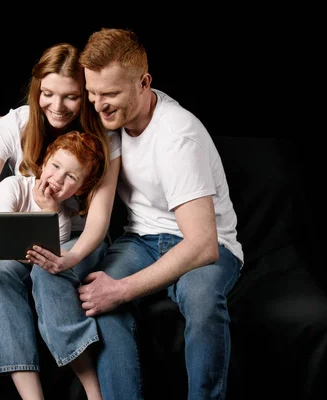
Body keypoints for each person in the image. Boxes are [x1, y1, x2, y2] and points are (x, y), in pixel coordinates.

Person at [38, 28, 241, 400]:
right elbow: (50, 113)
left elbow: (203, 245)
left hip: (203, 244)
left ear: (144, 83)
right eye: (93, 94)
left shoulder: (178, 135)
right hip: (140, 242)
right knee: (96, 297)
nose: (99, 106)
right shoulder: (107, 114)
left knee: (201, 302)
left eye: (110, 94)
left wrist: (123, 289)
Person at [0, 43, 121, 400]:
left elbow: (98, 222)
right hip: (22, 233)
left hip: (77, 238)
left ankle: (93, 393)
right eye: (48, 94)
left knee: (48, 272)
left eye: (71, 97)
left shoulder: (106, 137)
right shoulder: (16, 125)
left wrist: (68, 258)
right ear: (36, 89)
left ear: (85, 96)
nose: (57, 107)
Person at [0, 130, 105, 400]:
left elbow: (56, 246)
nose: (57, 179)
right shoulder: (12, 188)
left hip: (56, 254)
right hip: (13, 258)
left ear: (79, 189)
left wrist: (50, 210)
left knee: (50, 271)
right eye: (55, 167)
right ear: (43, 163)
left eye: (71, 177)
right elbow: (1, 237)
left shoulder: (67, 208)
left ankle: (93, 392)